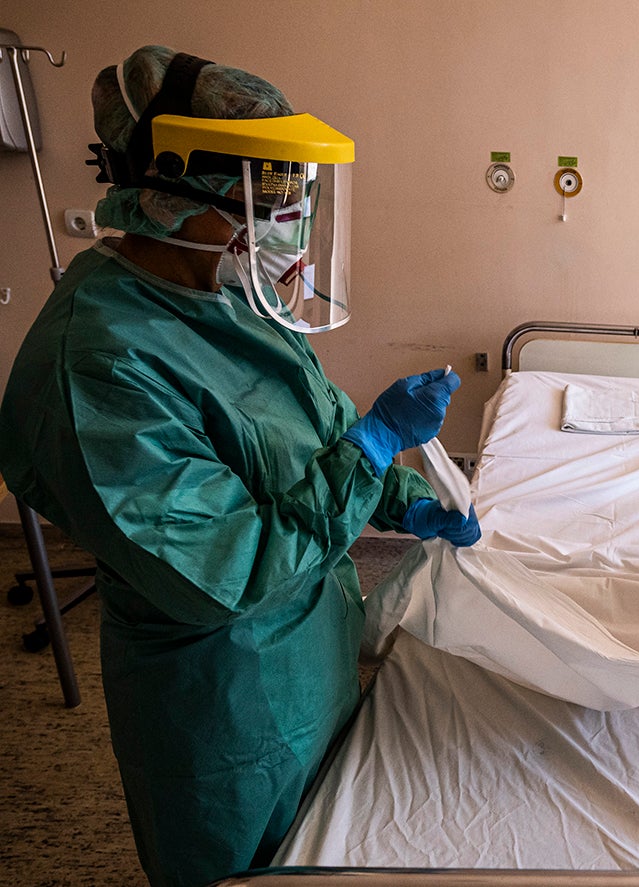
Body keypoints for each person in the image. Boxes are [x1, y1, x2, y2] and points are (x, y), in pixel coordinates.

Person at [0, 45, 479, 887]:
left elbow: (312, 432)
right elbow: (224, 570)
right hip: (222, 707)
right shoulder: (100, 364)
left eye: (292, 196)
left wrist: (404, 496)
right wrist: (369, 448)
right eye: (270, 197)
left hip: (311, 657)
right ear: (174, 191)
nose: (286, 225)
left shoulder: (225, 296)